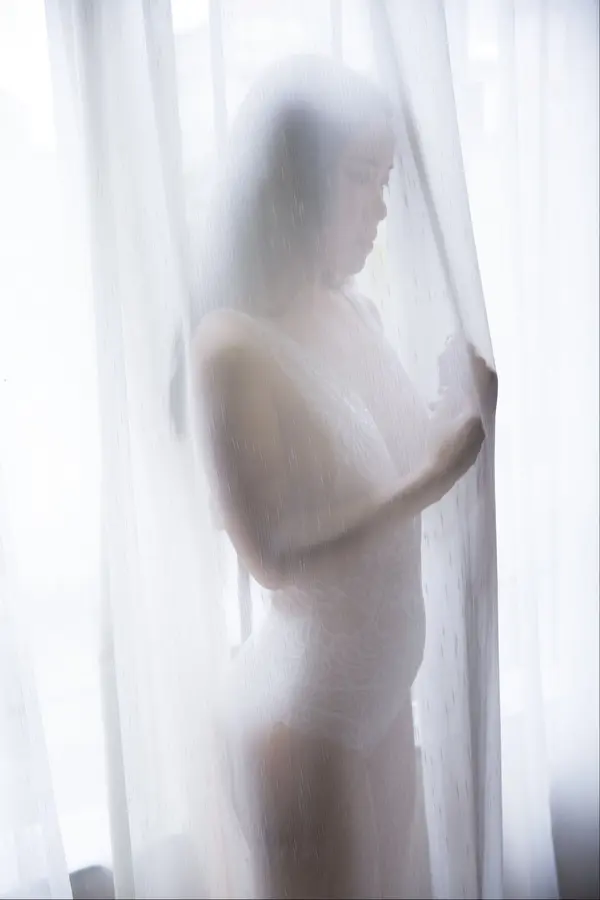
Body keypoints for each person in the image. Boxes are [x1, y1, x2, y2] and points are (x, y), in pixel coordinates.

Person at [184, 55, 497, 899]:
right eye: (363, 176)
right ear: (297, 180)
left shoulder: (355, 310)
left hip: (379, 695)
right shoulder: (231, 347)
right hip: (304, 715)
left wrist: (459, 405)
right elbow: (271, 557)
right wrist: (429, 478)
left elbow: (401, 463)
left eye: (386, 180)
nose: (381, 208)